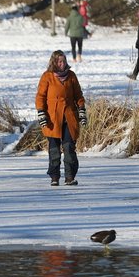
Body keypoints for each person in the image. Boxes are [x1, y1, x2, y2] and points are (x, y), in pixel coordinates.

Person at [35, 50, 86, 186]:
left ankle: (70, 177)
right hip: (52, 119)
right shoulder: (47, 77)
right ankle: (54, 177)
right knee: (54, 150)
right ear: (54, 62)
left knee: (69, 147)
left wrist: (81, 111)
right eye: (59, 61)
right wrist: (41, 113)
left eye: (63, 61)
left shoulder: (71, 76)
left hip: (69, 117)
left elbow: (79, 96)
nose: (62, 63)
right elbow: (40, 97)